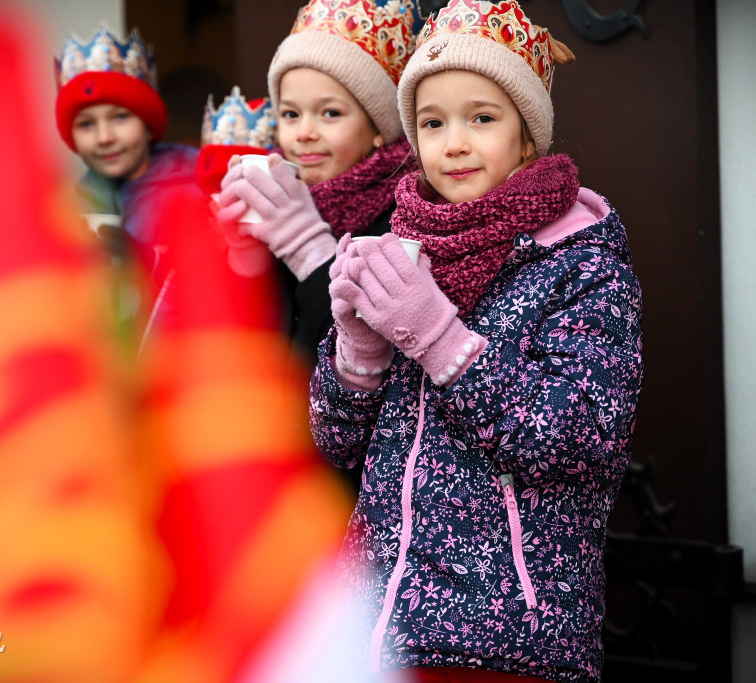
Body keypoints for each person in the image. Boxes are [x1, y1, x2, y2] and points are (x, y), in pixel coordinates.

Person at [309, 1, 644, 681]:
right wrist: (357, 353)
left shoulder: (583, 265)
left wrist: (437, 337)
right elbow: (333, 443)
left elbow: (572, 439)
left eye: (481, 118)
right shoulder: (406, 247)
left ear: (527, 135)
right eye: (432, 123)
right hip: (373, 634)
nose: (453, 142)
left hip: (506, 641)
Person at [216, 0, 420, 363]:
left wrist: (304, 243)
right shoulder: (278, 196)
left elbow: (371, 355)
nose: (305, 133)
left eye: (330, 113)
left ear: (377, 128)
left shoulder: (407, 214)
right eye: (291, 114)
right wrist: (244, 260)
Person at [55, 23, 198, 287]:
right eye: (87, 124)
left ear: (146, 123)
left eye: (120, 117)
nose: (104, 137)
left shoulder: (194, 180)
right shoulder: (74, 206)